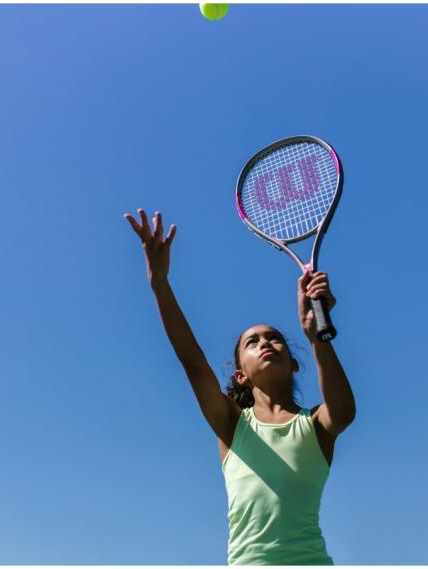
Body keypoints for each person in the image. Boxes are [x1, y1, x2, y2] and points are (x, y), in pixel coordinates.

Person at [124, 209, 356, 565]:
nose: (265, 342)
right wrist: (160, 283)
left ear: (293, 362)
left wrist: (316, 336)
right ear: (241, 376)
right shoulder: (233, 426)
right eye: (252, 341)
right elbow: (194, 363)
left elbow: (344, 411)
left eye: (275, 338)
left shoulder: (315, 426)